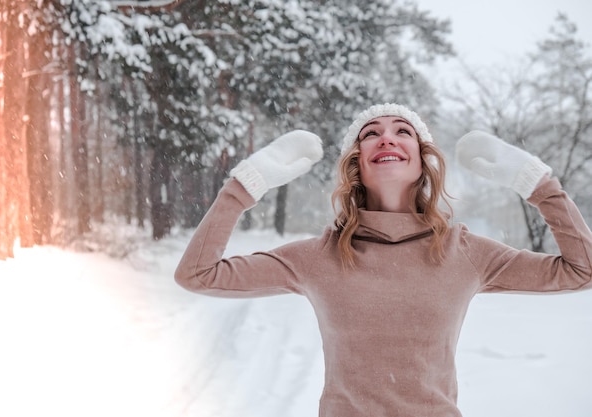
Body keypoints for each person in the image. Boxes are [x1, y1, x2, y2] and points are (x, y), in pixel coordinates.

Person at [175, 103, 592, 417]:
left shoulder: (464, 251)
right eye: (370, 134)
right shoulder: (321, 255)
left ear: (423, 161)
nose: (386, 138)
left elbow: (581, 269)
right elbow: (198, 274)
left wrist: (538, 183)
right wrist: (245, 185)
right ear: (357, 164)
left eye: (402, 131)